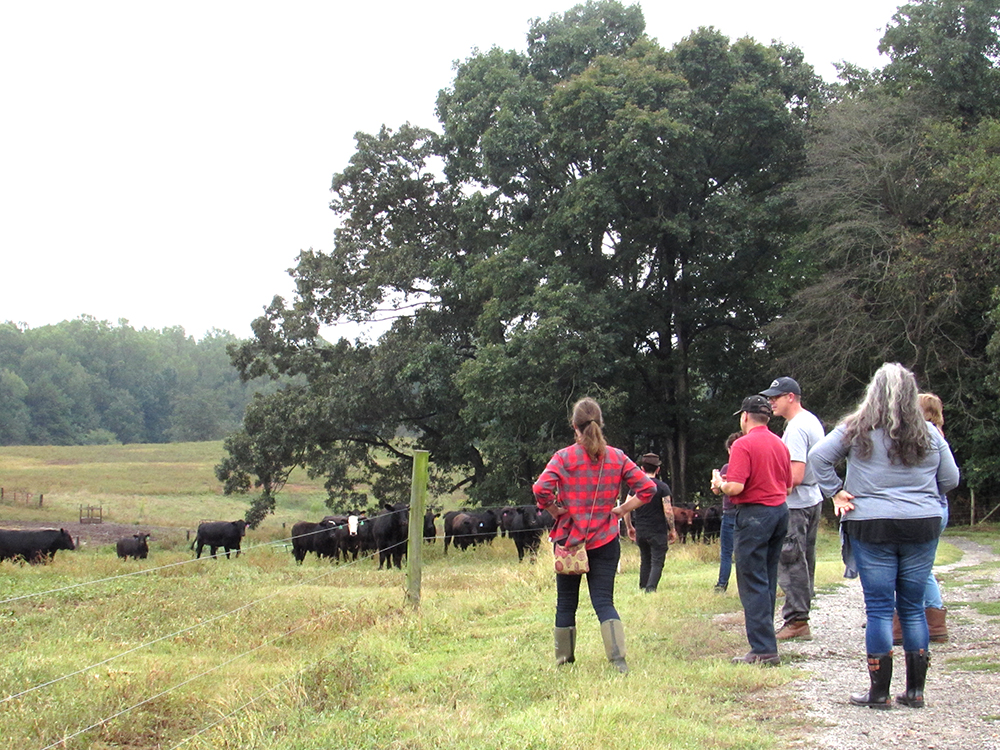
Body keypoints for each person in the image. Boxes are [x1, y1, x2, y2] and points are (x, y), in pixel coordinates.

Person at [808, 363, 959, 709]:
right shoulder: (931, 434)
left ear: (872, 392)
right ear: (911, 394)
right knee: (912, 608)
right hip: (921, 524)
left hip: (871, 524)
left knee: (878, 608)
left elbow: (818, 458)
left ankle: (879, 693)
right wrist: (919, 494)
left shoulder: (855, 427)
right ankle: (916, 692)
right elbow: (950, 480)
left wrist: (837, 491)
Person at [533, 397, 657, 673]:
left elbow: (540, 489)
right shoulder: (617, 457)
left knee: (566, 602)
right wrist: (621, 509)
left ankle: (564, 662)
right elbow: (647, 489)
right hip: (605, 538)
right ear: (600, 423)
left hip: (569, 540)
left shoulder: (563, 457)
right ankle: (618, 661)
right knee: (604, 600)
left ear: (574, 427)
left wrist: (556, 511)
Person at [710, 395, 791, 666]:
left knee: (752, 580)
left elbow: (736, 487)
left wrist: (720, 484)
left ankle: (763, 649)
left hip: (755, 515)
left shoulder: (743, 445)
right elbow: (789, 485)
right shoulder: (780, 444)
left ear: (745, 416)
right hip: (780, 511)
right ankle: (768, 641)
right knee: (767, 577)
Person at [758, 377, 826, 641]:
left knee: (791, 560)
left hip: (796, 503)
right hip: (812, 498)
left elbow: (794, 475)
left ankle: (797, 619)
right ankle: (800, 615)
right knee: (804, 558)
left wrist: (766, 486)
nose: (770, 402)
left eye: (775, 397)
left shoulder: (797, 427)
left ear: (791, 397)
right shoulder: (811, 420)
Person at [894, 393, 950, 645]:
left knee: (918, 568)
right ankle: (932, 618)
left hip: (929, 506)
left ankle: (926, 618)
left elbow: (949, 479)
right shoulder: (937, 434)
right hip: (937, 505)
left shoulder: (928, 435)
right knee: (922, 566)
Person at [622, 453, 677, 593]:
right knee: (657, 560)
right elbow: (668, 511)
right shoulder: (663, 487)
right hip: (657, 531)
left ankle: (643, 586)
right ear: (658, 469)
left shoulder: (635, 487)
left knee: (645, 559)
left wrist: (629, 527)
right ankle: (651, 588)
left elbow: (626, 507)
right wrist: (672, 529)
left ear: (642, 469)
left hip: (641, 529)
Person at [711, 432, 741, 593]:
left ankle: (726, 584)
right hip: (730, 512)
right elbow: (716, 490)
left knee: (733, 551)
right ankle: (723, 583)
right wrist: (716, 483)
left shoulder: (737, 467)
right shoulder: (726, 468)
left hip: (737, 511)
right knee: (729, 551)